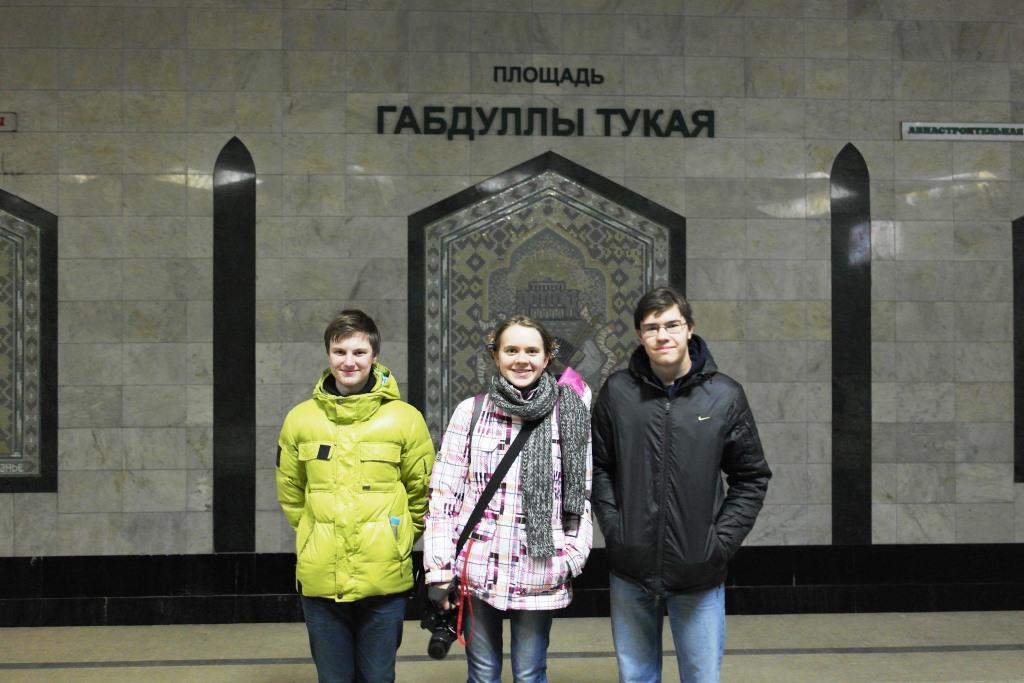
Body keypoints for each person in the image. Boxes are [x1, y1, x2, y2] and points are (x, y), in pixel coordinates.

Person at [592, 287, 771, 683]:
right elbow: (598, 467)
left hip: (698, 571)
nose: (662, 335)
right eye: (651, 327)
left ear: (690, 329)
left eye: (672, 325)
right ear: (640, 335)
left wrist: (718, 543)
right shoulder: (618, 393)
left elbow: (751, 477)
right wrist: (616, 531)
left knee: (701, 676)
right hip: (631, 568)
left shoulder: (724, 395)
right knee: (636, 677)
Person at [423, 315, 593, 683]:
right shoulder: (471, 412)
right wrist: (439, 570)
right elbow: (443, 497)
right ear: (496, 356)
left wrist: (570, 559)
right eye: (511, 350)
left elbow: (580, 495)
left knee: (530, 673)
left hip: (540, 567)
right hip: (477, 567)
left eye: (531, 350)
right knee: (483, 674)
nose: (521, 359)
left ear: (547, 357)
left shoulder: (569, 414)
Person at [276, 309, 434, 683]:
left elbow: (422, 492)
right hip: (321, 578)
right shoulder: (300, 420)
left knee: (378, 677)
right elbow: (290, 490)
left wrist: (398, 538)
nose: (349, 361)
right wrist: (314, 534)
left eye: (359, 352)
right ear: (328, 355)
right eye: (340, 351)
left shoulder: (405, 419)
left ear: (374, 356)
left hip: (384, 578)